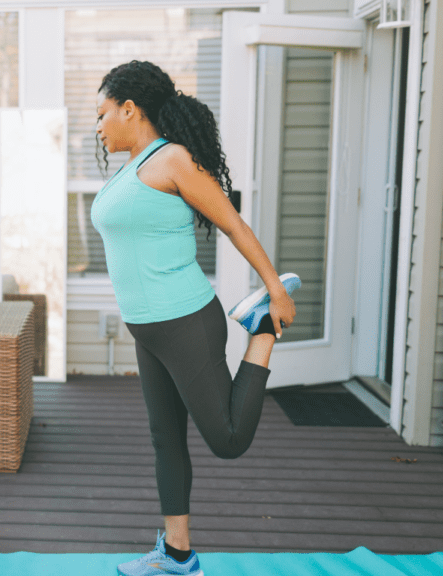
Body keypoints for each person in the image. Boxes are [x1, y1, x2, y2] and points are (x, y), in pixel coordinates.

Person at [91, 60, 301, 576]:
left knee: (227, 441)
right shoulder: (131, 167)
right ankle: (178, 555)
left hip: (184, 319)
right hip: (147, 327)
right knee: (165, 438)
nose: (97, 126)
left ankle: (263, 331)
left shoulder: (173, 160)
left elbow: (232, 224)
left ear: (129, 108)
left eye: (102, 114)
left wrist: (275, 290)